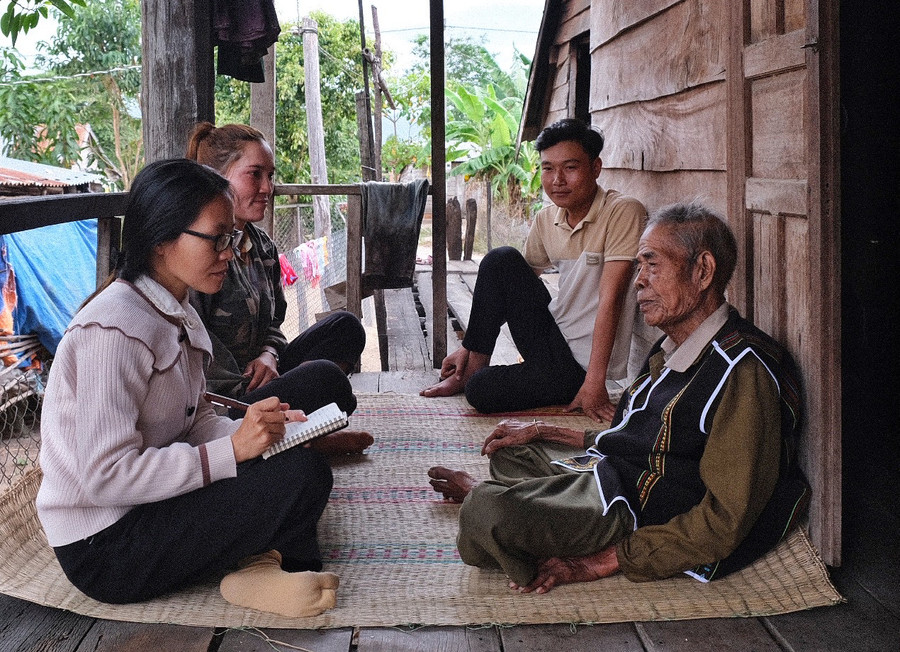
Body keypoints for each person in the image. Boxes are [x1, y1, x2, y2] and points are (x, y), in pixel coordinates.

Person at [427, 202, 809, 592]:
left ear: (703, 271)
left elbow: (725, 519)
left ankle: (498, 498)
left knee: (485, 511)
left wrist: (606, 561)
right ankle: (534, 504)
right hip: (618, 470)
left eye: (652, 265)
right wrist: (546, 431)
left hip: (637, 508)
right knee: (511, 450)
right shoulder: (674, 346)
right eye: (639, 268)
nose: (639, 281)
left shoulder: (742, 371)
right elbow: (640, 434)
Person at [36, 159, 339, 616]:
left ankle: (262, 563)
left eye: (232, 238)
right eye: (217, 238)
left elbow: (195, 423)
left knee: (295, 458)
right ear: (161, 239)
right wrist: (233, 450)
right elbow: (105, 478)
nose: (230, 252)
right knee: (301, 477)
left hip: (152, 504)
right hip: (106, 546)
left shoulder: (174, 308)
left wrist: (264, 436)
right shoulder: (113, 331)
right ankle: (272, 561)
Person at [421, 118, 648, 422]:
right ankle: (473, 364)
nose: (557, 180)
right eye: (547, 168)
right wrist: (471, 345)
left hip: (581, 366)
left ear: (595, 168)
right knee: (499, 259)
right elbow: (505, 287)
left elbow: (612, 298)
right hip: (553, 339)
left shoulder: (622, 211)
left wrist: (594, 383)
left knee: (480, 391)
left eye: (570, 167)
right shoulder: (547, 219)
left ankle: (480, 377)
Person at [186, 122, 372, 455]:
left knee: (346, 327)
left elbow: (274, 325)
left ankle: (301, 435)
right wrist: (257, 385)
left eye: (270, 176)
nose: (267, 188)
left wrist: (268, 355)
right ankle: (302, 439)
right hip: (224, 406)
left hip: (262, 376)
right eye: (254, 175)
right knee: (327, 380)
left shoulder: (262, 247)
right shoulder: (198, 251)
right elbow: (198, 355)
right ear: (215, 177)